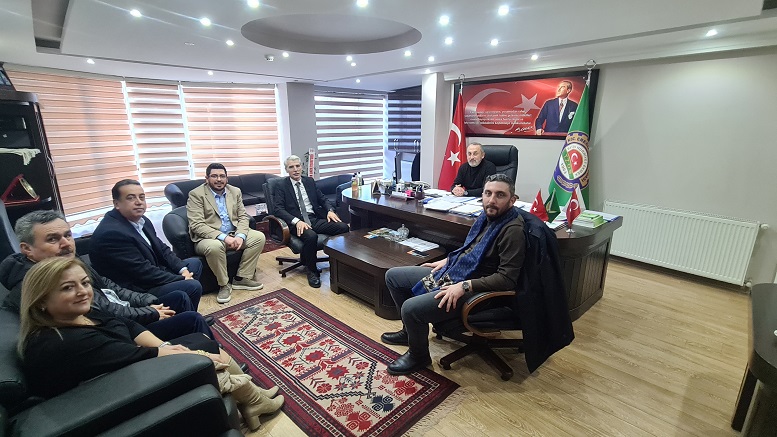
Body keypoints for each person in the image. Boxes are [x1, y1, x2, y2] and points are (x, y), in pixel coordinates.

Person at [17, 256, 283, 431]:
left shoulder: (77, 312)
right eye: (67, 287)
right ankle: (254, 400)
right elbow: (135, 357)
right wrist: (195, 356)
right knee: (208, 355)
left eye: (85, 283)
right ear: (41, 300)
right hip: (110, 394)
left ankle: (254, 398)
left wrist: (165, 346)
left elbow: (128, 326)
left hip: (126, 368)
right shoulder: (63, 342)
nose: (82, 291)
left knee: (200, 341)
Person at [381, 174, 525, 375]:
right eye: (488, 193)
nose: (492, 200)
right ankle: (410, 334)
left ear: (512, 200)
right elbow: (470, 249)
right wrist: (448, 261)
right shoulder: (487, 217)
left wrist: (465, 286)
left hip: (480, 292)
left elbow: (507, 279)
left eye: (500, 195)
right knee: (394, 277)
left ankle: (419, 356)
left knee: (411, 308)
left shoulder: (513, 230)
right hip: (458, 274)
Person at [0, 210, 214, 341]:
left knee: (180, 297)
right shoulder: (37, 283)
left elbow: (109, 287)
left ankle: (194, 339)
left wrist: (148, 302)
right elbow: (103, 313)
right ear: (27, 249)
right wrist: (149, 312)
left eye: (67, 235)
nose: (66, 243)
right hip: (121, 329)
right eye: (52, 239)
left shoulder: (66, 262)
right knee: (192, 316)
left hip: (125, 311)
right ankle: (205, 357)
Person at [90, 180, 205, 310]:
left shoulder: (141, 220)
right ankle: (186, 318)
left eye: (141, 197)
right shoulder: (111, 233)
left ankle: (188, 313)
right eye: (131, 198)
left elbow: (163, 250)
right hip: (137, 289)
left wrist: (183, 271)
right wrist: (182, 279)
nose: (139, 202)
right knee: (192, 285)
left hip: (150, 275)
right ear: (117, 204)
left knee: (194, 264)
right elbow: (143, 272)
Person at [187, 163, 265, 304]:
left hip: (233, 233)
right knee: (215, 247)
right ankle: (224, 285)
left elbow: (243, 217)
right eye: (214, 176)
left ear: (227, 178)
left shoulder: (234, 191)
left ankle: (241, 278)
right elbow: (197, 225)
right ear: (206, 178)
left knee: (259, 237)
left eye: (222, 176)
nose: (219, 179)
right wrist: (224, 237)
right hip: (208, 238)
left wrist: (240, 235)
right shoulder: (196, 194)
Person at [271, 155, 350, 288]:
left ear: (301, 167)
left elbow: (323, 199)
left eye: (298, 166)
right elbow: (278, 209)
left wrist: (330, 210)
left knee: (343, 227)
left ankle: (338, 265)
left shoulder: (309, 181)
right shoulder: (281, 185)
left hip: (313, 219)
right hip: (296, 223)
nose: (295, 169)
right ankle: (312, 271)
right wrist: (296, 221)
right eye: (291, 167)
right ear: (286, 170)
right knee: (311, 236)